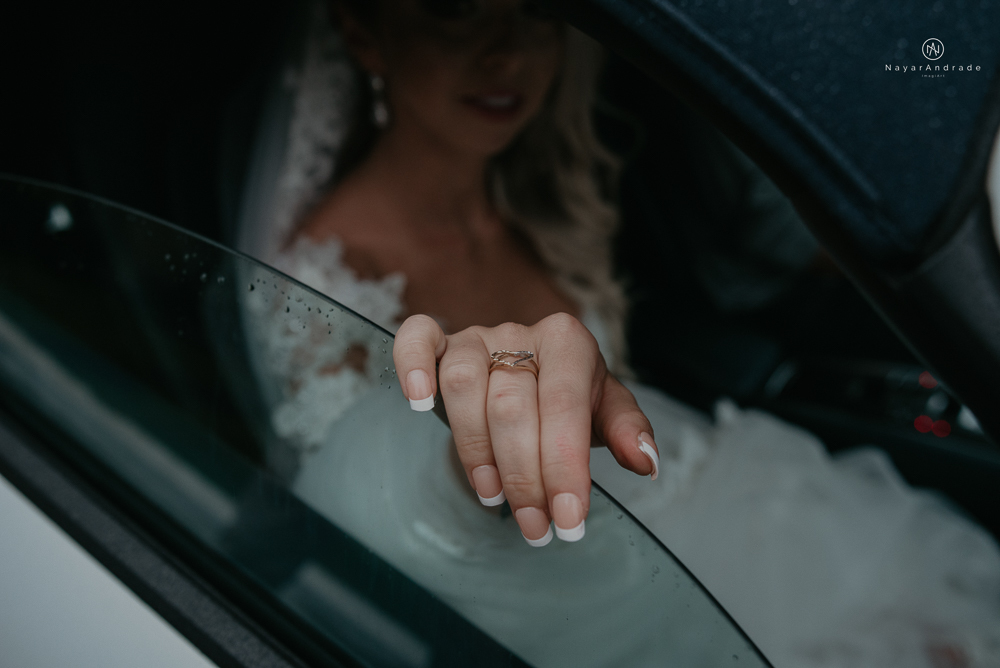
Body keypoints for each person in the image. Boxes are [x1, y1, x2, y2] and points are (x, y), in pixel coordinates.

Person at [236, 1, 1000, 666]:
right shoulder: (318, 286)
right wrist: (466, 460)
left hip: (733, 489)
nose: (507, 51)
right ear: (365, 34)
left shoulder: (538, 198)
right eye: (453, 8)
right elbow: (374, 503)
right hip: (612, 599)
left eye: (536, 11)